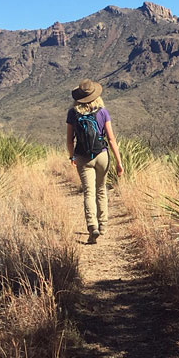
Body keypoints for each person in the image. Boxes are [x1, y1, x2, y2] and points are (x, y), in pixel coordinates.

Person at [66, 78, 123, 244]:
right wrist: (119, 162)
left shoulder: (72, 113)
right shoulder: (103, 112)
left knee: (88, 192)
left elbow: (70, 140)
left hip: (83, 157)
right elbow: (111, 139)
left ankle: (92, 226)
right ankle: (103, 225)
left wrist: (72, 157)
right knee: (101, 190)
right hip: (102, 156)